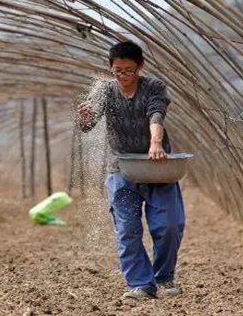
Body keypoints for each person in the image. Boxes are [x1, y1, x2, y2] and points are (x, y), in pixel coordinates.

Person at [78, 40, 185, 300]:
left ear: (140, 67)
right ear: (111, 69)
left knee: (169, 226)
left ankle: (163, 278)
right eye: (118, 71)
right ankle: (140, 284)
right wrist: (85, 117)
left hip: (157, 167)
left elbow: (156, 114)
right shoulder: (104, 90)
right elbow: (88, 124)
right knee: (127, 228)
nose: (123, 76)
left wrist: (156, 143)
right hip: (122, 170)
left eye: (129, 70)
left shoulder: (153, 87)